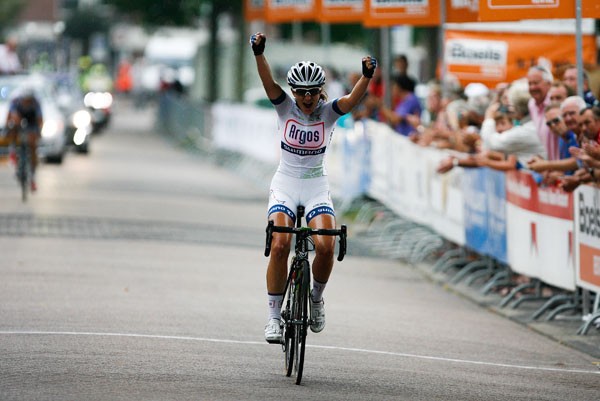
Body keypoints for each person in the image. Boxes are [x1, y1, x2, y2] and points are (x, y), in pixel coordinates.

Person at [249, 32, 377, 343]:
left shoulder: (328, 112)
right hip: (286, 184)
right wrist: (259, 54)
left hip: (316, 186)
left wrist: (366, 76)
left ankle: (316, 299)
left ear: (321, 91)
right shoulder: (285, 108)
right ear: (294, 92)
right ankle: (273, 318)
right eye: (301, 92)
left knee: (326, 245)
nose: (307, 98)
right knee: (279, 245)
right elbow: (268, 84)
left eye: (312, 92)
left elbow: (351, 100)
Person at [5, 87, 43, 191]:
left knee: (33, 144)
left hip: (32, 123)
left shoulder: (36, 103)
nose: (26, 103)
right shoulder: (15, 102)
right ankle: (12, 151)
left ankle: (33, 176)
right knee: (12, 129)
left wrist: (38, 132)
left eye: (28, 101)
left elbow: (40, 120)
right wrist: (8, 128)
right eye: (25, 101)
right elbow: (9, 117)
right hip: (19, 121)